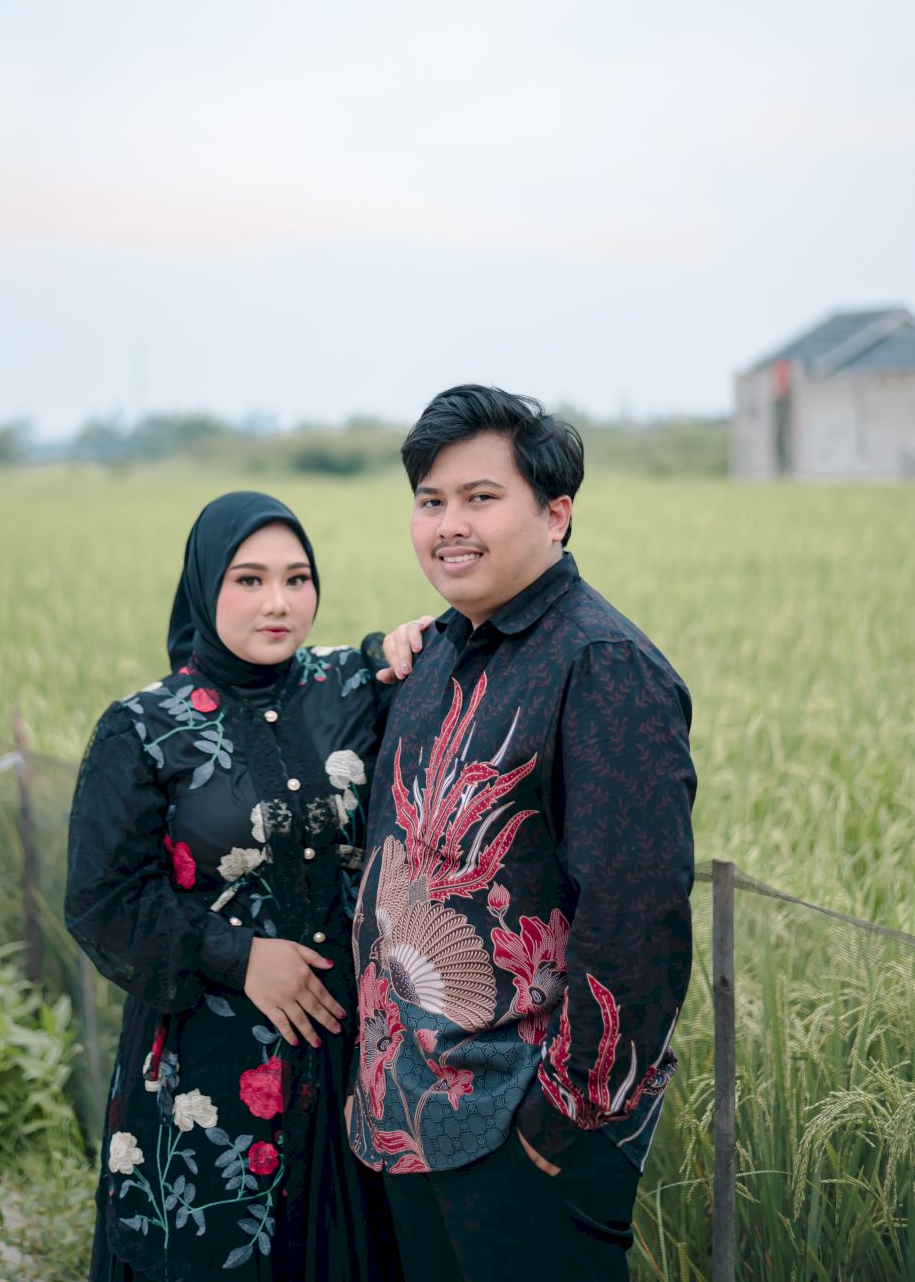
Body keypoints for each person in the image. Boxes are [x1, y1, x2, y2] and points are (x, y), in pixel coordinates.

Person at [348, 387, 697, 1282]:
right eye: (430, 501)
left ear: (556, 513)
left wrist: (559, 1124)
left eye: (480, 497)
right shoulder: (435, 653)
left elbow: (636, 916)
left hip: (523, 1134)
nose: (449, 525)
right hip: (406, 1115)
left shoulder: (601, 666)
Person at [66, 491, 418, 1282]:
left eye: (297, 578)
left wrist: (404, 641)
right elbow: (102, 899)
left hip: (349, 1052)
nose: (278, 602)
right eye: (249, 580)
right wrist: (239, 955)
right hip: (208, 1060)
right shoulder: (144, 728)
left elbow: (441, 661)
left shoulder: (351, 686)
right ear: (204, 587)